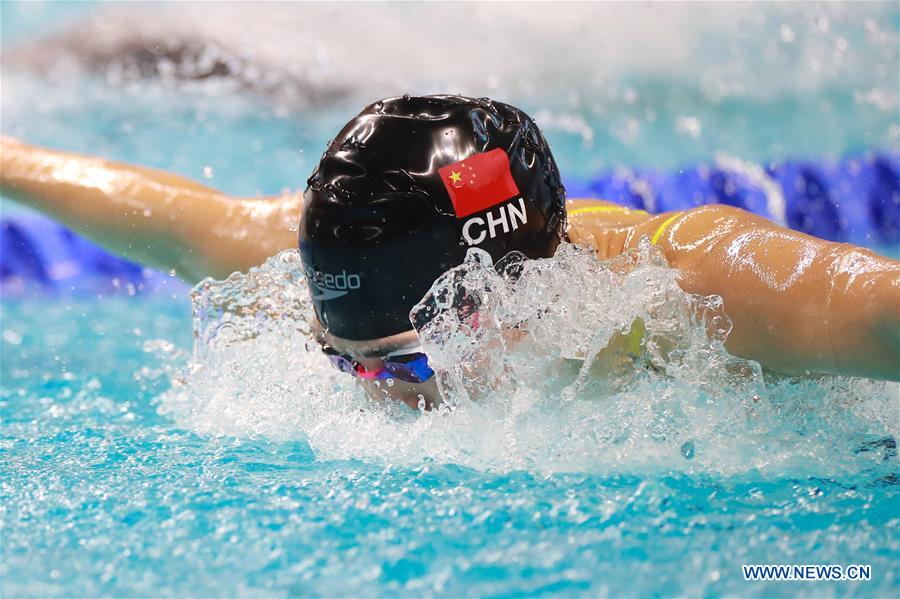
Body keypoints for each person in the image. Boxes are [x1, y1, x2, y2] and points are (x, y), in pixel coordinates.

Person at [2, 95, 898, 409]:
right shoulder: (359, 249)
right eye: (340, 363)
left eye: (401, 370)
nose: (373, 400)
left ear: (501, 301)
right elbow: (180, 220)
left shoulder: (700, 287)